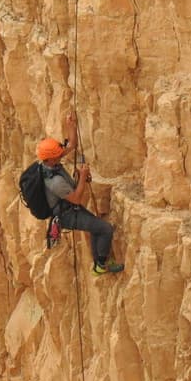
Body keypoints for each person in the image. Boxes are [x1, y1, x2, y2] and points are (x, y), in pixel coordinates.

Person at [36, 112, 124, 276]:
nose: (59, 156)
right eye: (56, 155)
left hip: (69, 208)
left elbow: (71, 146)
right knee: (105, 229)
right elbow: (76, 199)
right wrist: (82, 177)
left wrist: (71, 126)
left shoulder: (49, 162)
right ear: (49, 159)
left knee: (95, 227)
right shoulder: (54, 182)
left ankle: (98, 262)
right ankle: (100, 265)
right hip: (67, 215)